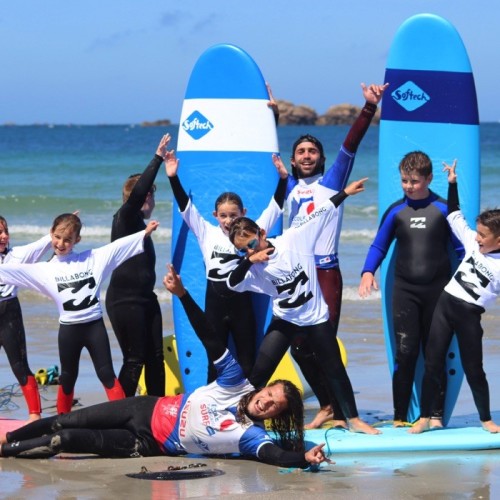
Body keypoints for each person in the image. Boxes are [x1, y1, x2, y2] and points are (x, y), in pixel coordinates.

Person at [0, 265, 332, 469]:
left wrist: (303, 459)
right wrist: (183, 295)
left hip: (148, 444)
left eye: (275, 406)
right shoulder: (234, 381)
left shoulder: (251, 436)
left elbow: (275, 456)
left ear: (276, 415)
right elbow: (209, 337)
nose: (267, 402)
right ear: (264, 388)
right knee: (63, 420)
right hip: (145, 407)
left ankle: (6, 452)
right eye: (270, 394)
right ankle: (10, 439)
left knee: (65, 439)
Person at [227, 164, 380, 435]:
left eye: (251, 244)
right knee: (259, 372)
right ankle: (243, 420)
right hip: (285, 320)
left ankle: (354, 419)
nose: (250, 251)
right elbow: (232, 282)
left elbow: (321, 212)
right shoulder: (253, 268)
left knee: (334, 369)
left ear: (262, 233)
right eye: (243, 250)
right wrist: (249, 260)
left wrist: (345, 192)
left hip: (315, 318)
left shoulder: (293, 239)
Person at [282, 82, 388, 429]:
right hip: (295, 275)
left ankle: (346, 414)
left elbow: (350, 144)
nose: (307, 155)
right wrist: (270, 114)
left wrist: (369, 107)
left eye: (312, 151)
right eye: (301, 151)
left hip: (325, 272)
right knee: (298, 346)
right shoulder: (286, 187)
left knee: (324, 344)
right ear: (293, 159)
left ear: (322, 159)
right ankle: (328, 405)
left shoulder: (331, 183)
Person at [0, 213, 159, 414]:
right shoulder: (43, 270)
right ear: (51, 235)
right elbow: (8, 272)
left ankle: (123, 418)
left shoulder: (92, 258)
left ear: (77, 240)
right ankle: (62, 422)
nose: (61, 244)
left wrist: (144, 233)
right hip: (69, 331)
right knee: (67, 378)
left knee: (107, 374)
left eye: (67, 240)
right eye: (57, 238)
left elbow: (117, 247)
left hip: (95, 328)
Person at [358, 151, 464, 427]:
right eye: (405, 180)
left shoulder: (444, 209)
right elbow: (379, 245)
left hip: (439, 293)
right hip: (405, 292)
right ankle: (399, 417)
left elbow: (462, 249)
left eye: (414, 181)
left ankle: (436, 416)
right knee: (405, 354)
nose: (408, 186)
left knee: (435, 355)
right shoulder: (396, 211)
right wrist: (367, 271)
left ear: (429, 179)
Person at [165, 147, 288, 380]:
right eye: (223, 215)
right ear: (215, 215)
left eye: (234, 215)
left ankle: (248, 402)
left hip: (242, 303)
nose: (228, 220)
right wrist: (173, 177)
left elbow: (274, 209)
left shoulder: (251, 232)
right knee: (215, 364)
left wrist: (283, 179)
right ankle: (213, 402)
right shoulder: (206, 232)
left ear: (243, 213)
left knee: (247, 361)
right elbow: (186, 208)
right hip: (214, 303)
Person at [409, 160, 500, 434]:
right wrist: (452, 184)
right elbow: (453, 214)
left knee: (475, 370)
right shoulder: (472, 242)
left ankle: (486, 419)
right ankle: (424, 417)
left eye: (484, 235)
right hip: (445, 305)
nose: (478, 238)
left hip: (469, 315)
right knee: (432, 363)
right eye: (478, 233)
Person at [105, 133, 171, 398]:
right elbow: (138, 193)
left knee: (155, 358)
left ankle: (156, 410)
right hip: (124, 301)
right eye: (149, 195)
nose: (151, 201)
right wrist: (157, 159)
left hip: (146, 299)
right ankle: (118, 413)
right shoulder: (124, 218)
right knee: (134, 360)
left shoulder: (139, 226)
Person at [0, 216, 52, 422]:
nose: (4, 236)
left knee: (19, 365)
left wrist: (63, 226)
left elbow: (44, 243)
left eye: (5, 231)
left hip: (9, 314)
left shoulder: (17, 255)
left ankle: (34, 416)